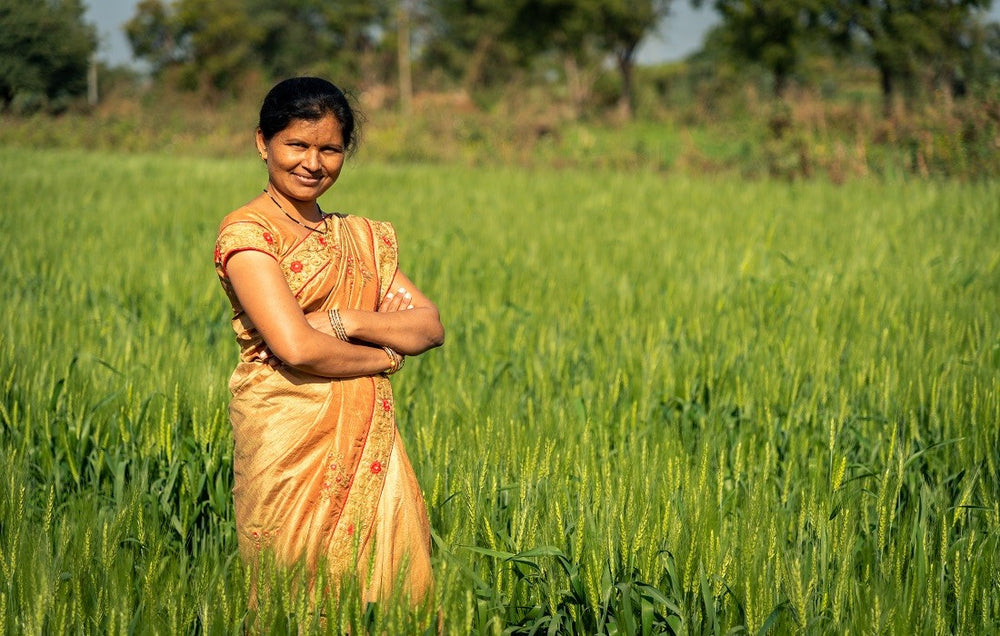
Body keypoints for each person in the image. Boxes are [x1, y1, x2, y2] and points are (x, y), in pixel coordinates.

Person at [213, 77, 444, 607]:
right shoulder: (249, 235)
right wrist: (386, 357)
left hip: (370, 443)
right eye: (297, 144)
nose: (312, 163)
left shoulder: (360, 239)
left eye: (330, 149)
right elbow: (296, 347)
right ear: (262, 143)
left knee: (387, 594)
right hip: (286, 439)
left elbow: (428, 326)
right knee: (290, 594)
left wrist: (347, 320)